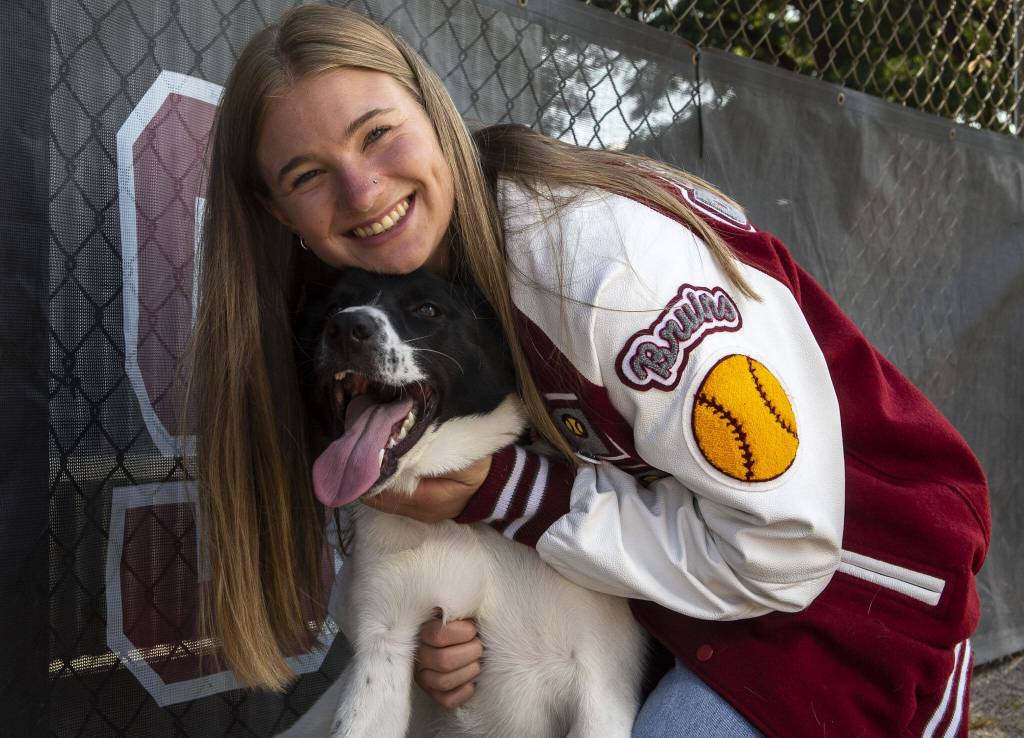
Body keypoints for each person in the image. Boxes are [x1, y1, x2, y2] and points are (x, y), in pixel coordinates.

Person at [190, 5, 990, 736]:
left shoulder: (604, 270)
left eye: (377, 134)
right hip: (671, 608)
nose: (362, 190)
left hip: (855, 597)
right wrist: (435, 631)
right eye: (307, 174)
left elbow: (785, 548)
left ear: (437, 114)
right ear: (277, 211)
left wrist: (511, 492)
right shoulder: (355, 298)